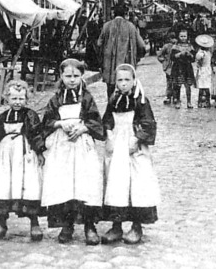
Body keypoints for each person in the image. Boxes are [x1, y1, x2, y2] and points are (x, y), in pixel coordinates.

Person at [41, 59, 105, 244]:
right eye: (68, 76)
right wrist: (60, 123)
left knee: (86, 183)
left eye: (76, 76)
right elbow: (46, 122)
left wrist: (84, 128)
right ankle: (66, 224)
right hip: (63, 145)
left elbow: (96, 121)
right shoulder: (56, 99)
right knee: (65, 183)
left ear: (81, 76)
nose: (72, 80)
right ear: (61, 76)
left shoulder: (86, 98)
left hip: (82, 144)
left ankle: (89, 225)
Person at [101, 64, 160, 245]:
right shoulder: (114, 100)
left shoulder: (141, 101)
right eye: (120, 80)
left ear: (134, 81)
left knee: (137, 184)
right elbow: (107, 120)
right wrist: (109, 134)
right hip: (118, 145)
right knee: (116, 184)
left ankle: (136, 226)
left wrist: (138, 139)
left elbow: (149, 123)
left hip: (134, 146)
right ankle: (116, 226)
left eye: (127, 80)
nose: (123, 84)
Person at [0, 80, 46, 241]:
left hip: (25, 155)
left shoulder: (30, 115)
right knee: (5, 185)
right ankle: (1, 222)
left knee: (28, 185)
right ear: (7, 99)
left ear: (26, 99)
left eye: (21, 99)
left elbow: (36, 133)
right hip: (6, 156)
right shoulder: (3, 117)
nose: (18, 102)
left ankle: (34, 223)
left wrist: (39, 151)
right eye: (14, 99)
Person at [97, 5, 146, 98]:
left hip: (109, 65)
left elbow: (99, 43)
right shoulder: (131, 26)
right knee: (126, 86)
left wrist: (102, 59)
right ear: (125, 14)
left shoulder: (106, 26)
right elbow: (142, 45)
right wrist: (137, 58)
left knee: (111, 89)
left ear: (113, 14)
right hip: (127, 63)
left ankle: (111, 108)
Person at [170, 29, 196, 109]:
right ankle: (177, 101)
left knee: (188, 85)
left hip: (187, 67)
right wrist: (180, 54)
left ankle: (189, 102)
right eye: (181, 36)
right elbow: (172, 57)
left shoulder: (190, 46)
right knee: (178, 85)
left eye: (185, 36)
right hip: (178, 67)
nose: (183, 38)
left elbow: (193, 59)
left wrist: (189, 54)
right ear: (178, 36)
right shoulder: (175, 46)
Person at [156, 33, 177, 105]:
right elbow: (159, 55)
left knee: (176, 82)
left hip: (176, 66)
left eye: (175, 38)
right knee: (169, 82)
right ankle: (168, 96)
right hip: (169, 67)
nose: (174, 40)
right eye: (172, 38)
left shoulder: (178, 46)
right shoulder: (166, 46)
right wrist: (164, 61)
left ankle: (175, 97)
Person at [194, 35, 214, 108]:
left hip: (207, 69)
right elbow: (197, 58)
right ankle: (201, 100)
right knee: (202, 86)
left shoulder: (208, 52)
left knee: (207, 85)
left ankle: (207, 100)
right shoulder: (201, 52)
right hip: (203, 69)